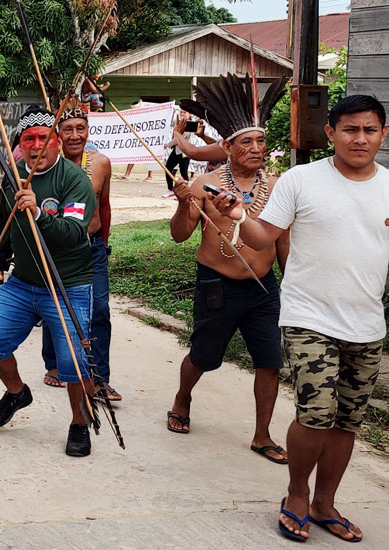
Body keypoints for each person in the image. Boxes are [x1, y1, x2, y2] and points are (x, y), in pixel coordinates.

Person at [225, 95, 389, 543]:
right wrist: (238, 215)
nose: (359, 138)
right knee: (317, 413)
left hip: (367, 325)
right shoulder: (302, 180)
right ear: (331, 133)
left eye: (369, 130)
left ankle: (325, 502)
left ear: (384, 134)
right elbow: (264, 237)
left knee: (347, 421)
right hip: (308, 317)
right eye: (349, 129)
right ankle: (297, 495)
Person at [164, 98, 290, 468]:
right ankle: (182, 398)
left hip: (264, 287)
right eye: (246, 143)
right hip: (216, 283)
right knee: (204, 355)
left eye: (260, 142)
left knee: (269, 361)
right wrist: (183, 204)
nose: (255, 149)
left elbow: (282, 241)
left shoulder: (279, 187)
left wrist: (292, 283)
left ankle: (262, 434)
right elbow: (179, 235)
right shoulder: (206, 184)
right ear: (228, 148)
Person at [0, 107, 99, 457]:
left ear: (57, 142)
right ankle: (17, 391)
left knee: (73, 365)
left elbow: (75, 234)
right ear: (19, 144)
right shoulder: (13, 175)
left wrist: (38, 213)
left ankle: (79, 423)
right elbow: (2, 224)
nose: (36, 146)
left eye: (43, 139)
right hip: (23, 282)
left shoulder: (74, 180)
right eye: (28, 139)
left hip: (69, 286)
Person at [38, 107, 117, 399]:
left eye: (80, 129)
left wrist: (104, 242)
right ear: (58, 134)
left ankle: (100, 377)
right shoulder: (46, 166)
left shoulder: (101, 164)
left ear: (88, 130)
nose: (74, 135)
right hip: (56, 248)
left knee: (99, 310)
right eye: (67, 129)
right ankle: (55, 365)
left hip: (91, 248)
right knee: (54, 306)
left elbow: (104, 206)